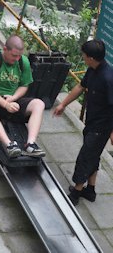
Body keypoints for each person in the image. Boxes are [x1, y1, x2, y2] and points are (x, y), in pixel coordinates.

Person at [53, 39, 113, 206]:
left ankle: (77, 191)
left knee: (85, 157)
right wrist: (63, 104)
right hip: (92, 120)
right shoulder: (92, 70)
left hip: (102, 126)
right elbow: (80, 87)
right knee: (93, 155)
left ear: (91, 58)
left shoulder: (108, 78)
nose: (83, 57)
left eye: (84, 56)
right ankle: (90, 190)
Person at [0, 34, 45, 158]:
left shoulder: (23, 62)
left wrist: (13, 98)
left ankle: (30, 144)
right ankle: (9, 144)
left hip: (12, 101)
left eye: (19, 55)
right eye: (14, 55)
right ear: (5, 49)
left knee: (39, 104)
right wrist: (5, 104)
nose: (17, 59)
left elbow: (24, 85)